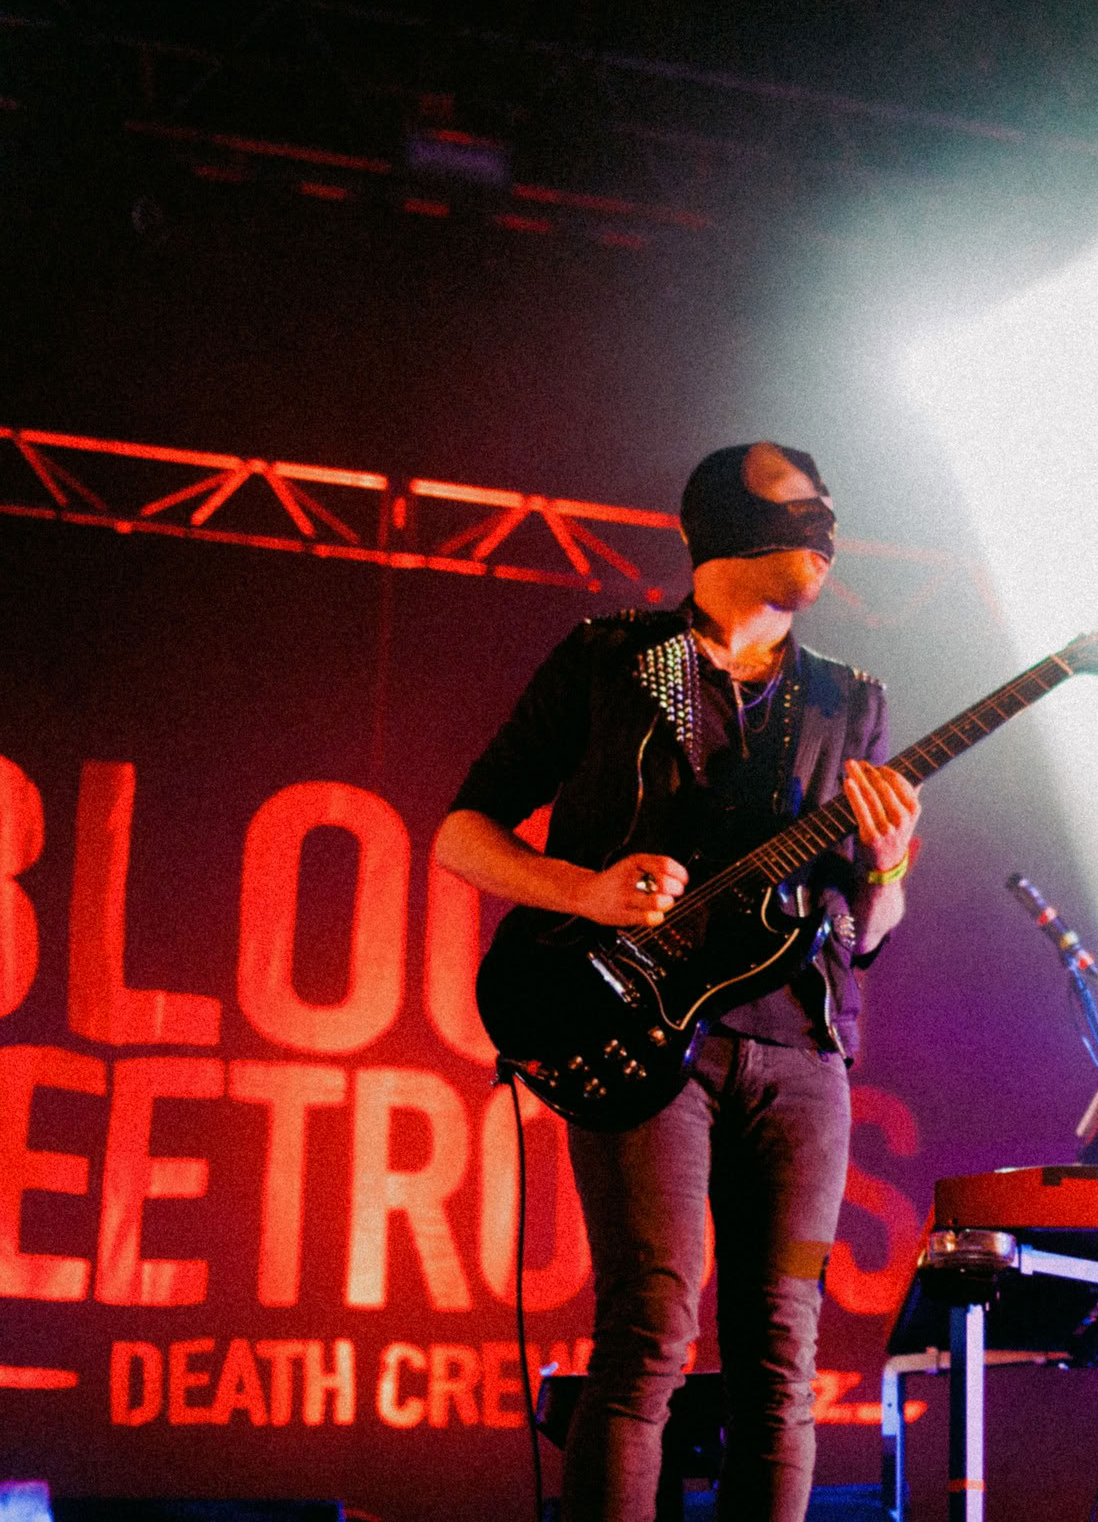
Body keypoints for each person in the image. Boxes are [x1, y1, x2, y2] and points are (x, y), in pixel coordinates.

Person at [433, 441, 921, 1521]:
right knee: (648, 1334)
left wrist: (887, 863)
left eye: (831, 508)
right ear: (721, 520)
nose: (827, 524)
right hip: (643, 1036)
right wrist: (586, 890)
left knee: (782, 1363)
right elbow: (464, 835)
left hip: (803, 1053)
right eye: (802, 505)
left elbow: (872, 926)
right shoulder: (610, 662)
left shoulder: (851, 698)